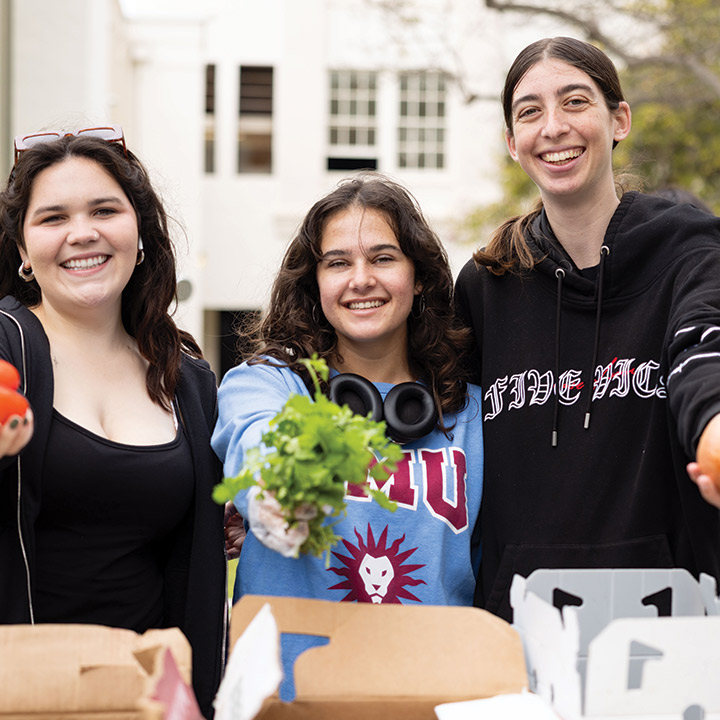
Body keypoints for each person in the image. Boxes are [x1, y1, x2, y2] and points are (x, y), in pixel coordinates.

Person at [455, 36, 720, 622]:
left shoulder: (688, 250)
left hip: (668, 635)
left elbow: (703, 348)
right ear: (511, 141)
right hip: (519, 634)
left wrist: (714, 427)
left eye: (575, 102)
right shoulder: (484, 286)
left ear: (618, 119)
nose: (553, 127)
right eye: (530, 112)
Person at [0, 127, 226, 717]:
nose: (82, 233)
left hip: (144, 695)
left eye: (105, 209)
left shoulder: (188, 380)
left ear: (140, 231)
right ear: (22, 249)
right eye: (53, 218)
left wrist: (234, 516)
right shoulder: (4, 348)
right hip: (20, 691)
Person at [212, 173, 482, 661]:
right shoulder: (266, 384)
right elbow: (256, 435)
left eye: (382, 258)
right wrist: (271, 490)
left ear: (418, 276)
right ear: (315, 283)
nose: (361, 279)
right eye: (338, 263)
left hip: (434, 696)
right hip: (290, 702)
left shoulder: (470, 413)